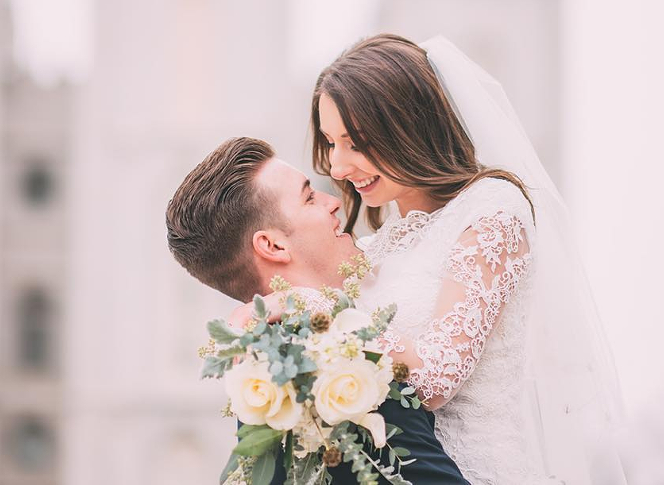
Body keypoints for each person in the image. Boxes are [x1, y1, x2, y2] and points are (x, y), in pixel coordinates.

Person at [308, 33, 628, 485]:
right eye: (330, 143)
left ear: (408, 126)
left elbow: (435, 378)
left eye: (354, 143)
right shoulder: (376, 247)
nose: (338, 167)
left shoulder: (492, 210)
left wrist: (319, 312)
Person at [166, 136, 471, 485]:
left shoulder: (263, 377)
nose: (334, 203)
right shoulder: (329, 362)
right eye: (310, 197)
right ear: (273, 245)